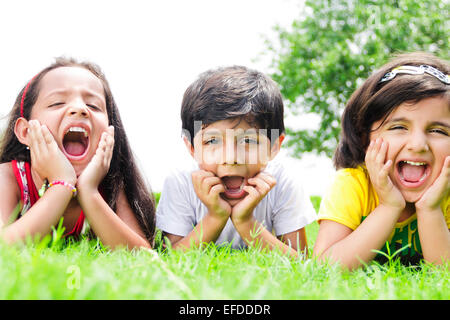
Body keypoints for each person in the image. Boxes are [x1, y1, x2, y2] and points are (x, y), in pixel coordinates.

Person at [156, 66, 316, 257]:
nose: (231, 157)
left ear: (274, 147)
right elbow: (170, 258)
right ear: (192, 148)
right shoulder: (180, 182)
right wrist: (215, 217)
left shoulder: (283, 181)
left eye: (248, 140)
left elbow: (301, 262)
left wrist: (245, 221)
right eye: (212, 141)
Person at [0, 57, 156, 250]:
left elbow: (143, 257)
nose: (80, 109)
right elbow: (3, 249)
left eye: (93, 106)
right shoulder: (9, 177)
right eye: (57, 103)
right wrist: (61, 184)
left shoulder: (110, 184)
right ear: (25, 132)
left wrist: (89, 191)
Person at [313, 52, 450, 269]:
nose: (418, 145)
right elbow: (324, 268)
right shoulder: (352, 185)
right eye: (398, 127)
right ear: (364, 136)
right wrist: (389, 206)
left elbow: (445, 275)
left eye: (437, 130)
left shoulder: (446, 194)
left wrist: (430, 209)